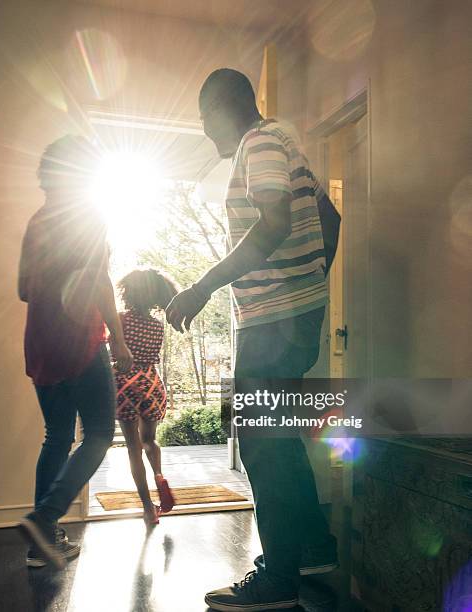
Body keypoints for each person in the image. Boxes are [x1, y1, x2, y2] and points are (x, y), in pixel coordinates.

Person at [166, 69, 340, 610]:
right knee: (278, 438)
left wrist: (200, 288)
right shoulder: (284, 142)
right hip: (289, 315)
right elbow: (329, 217)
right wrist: (312, 286)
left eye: (204, 119)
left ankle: (278, 579)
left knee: (262, 445)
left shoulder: (260, 141)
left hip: (272, 322)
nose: (206, 132)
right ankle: (312, 546)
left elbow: (273, 224)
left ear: (221, 108)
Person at [17, 135, 133, 570]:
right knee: (101, 432)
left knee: (58, 436)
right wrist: (118, 339)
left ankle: (40, 544)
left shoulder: (38, 221)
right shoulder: (87, 215)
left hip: (40, 342)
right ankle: (45, 517)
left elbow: (23, 289)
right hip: (79, 338)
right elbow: (100, 279)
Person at [115, 269, 178, 527]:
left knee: (133, 448)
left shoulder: (119, 320)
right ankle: (159, 476)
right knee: (150, 441)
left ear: (127, 292)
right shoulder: (156, 326)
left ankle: (148, 509)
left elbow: (114, 351)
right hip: (152, 384)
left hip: (125, 383)